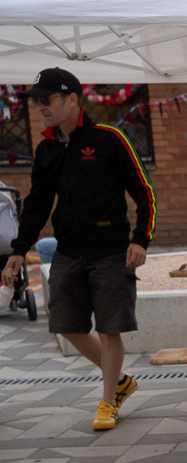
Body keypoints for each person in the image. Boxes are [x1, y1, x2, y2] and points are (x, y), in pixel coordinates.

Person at [1, 67, 156, 431]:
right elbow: (37, 204)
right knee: (66, 325)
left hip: (111, 251)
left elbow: (144, 191)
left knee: (109, 328)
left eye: (46, 99)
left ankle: (108, 402)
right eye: (36, 101)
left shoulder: (109, 139)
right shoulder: (47, 149)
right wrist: (18, 250)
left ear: (72, 99)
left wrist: (141, 239)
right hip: (68, 251)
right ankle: (120, 381)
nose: (40, 106)